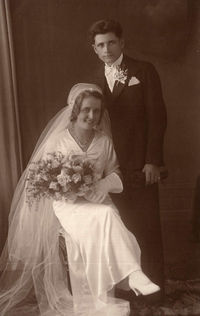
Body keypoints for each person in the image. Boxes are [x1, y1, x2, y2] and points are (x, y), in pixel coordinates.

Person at [0, 83, 160, 316]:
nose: (92, 116)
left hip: (98, 200)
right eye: (86, 110)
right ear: (75, 110)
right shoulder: (59, 141)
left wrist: (103, 185)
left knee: (108, 216)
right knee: (106, 216)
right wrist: (67, 189)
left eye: (97, 111)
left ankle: (109, 295)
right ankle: (132, 273)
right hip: (69, 206)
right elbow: (41, 180)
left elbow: (115, 172)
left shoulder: (104, 141)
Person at [87, 19, 167, 301]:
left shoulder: (143, 71)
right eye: (100, 45)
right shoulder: (94, 81)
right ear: (94, 49)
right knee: (120, 230)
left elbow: (158, 118)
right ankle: (127, 293)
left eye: (111, 42)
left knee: (146, 227)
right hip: (109, 168)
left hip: (140, 165)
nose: (106, 49)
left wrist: (153, 161)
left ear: (122, 43)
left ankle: (154, 294)